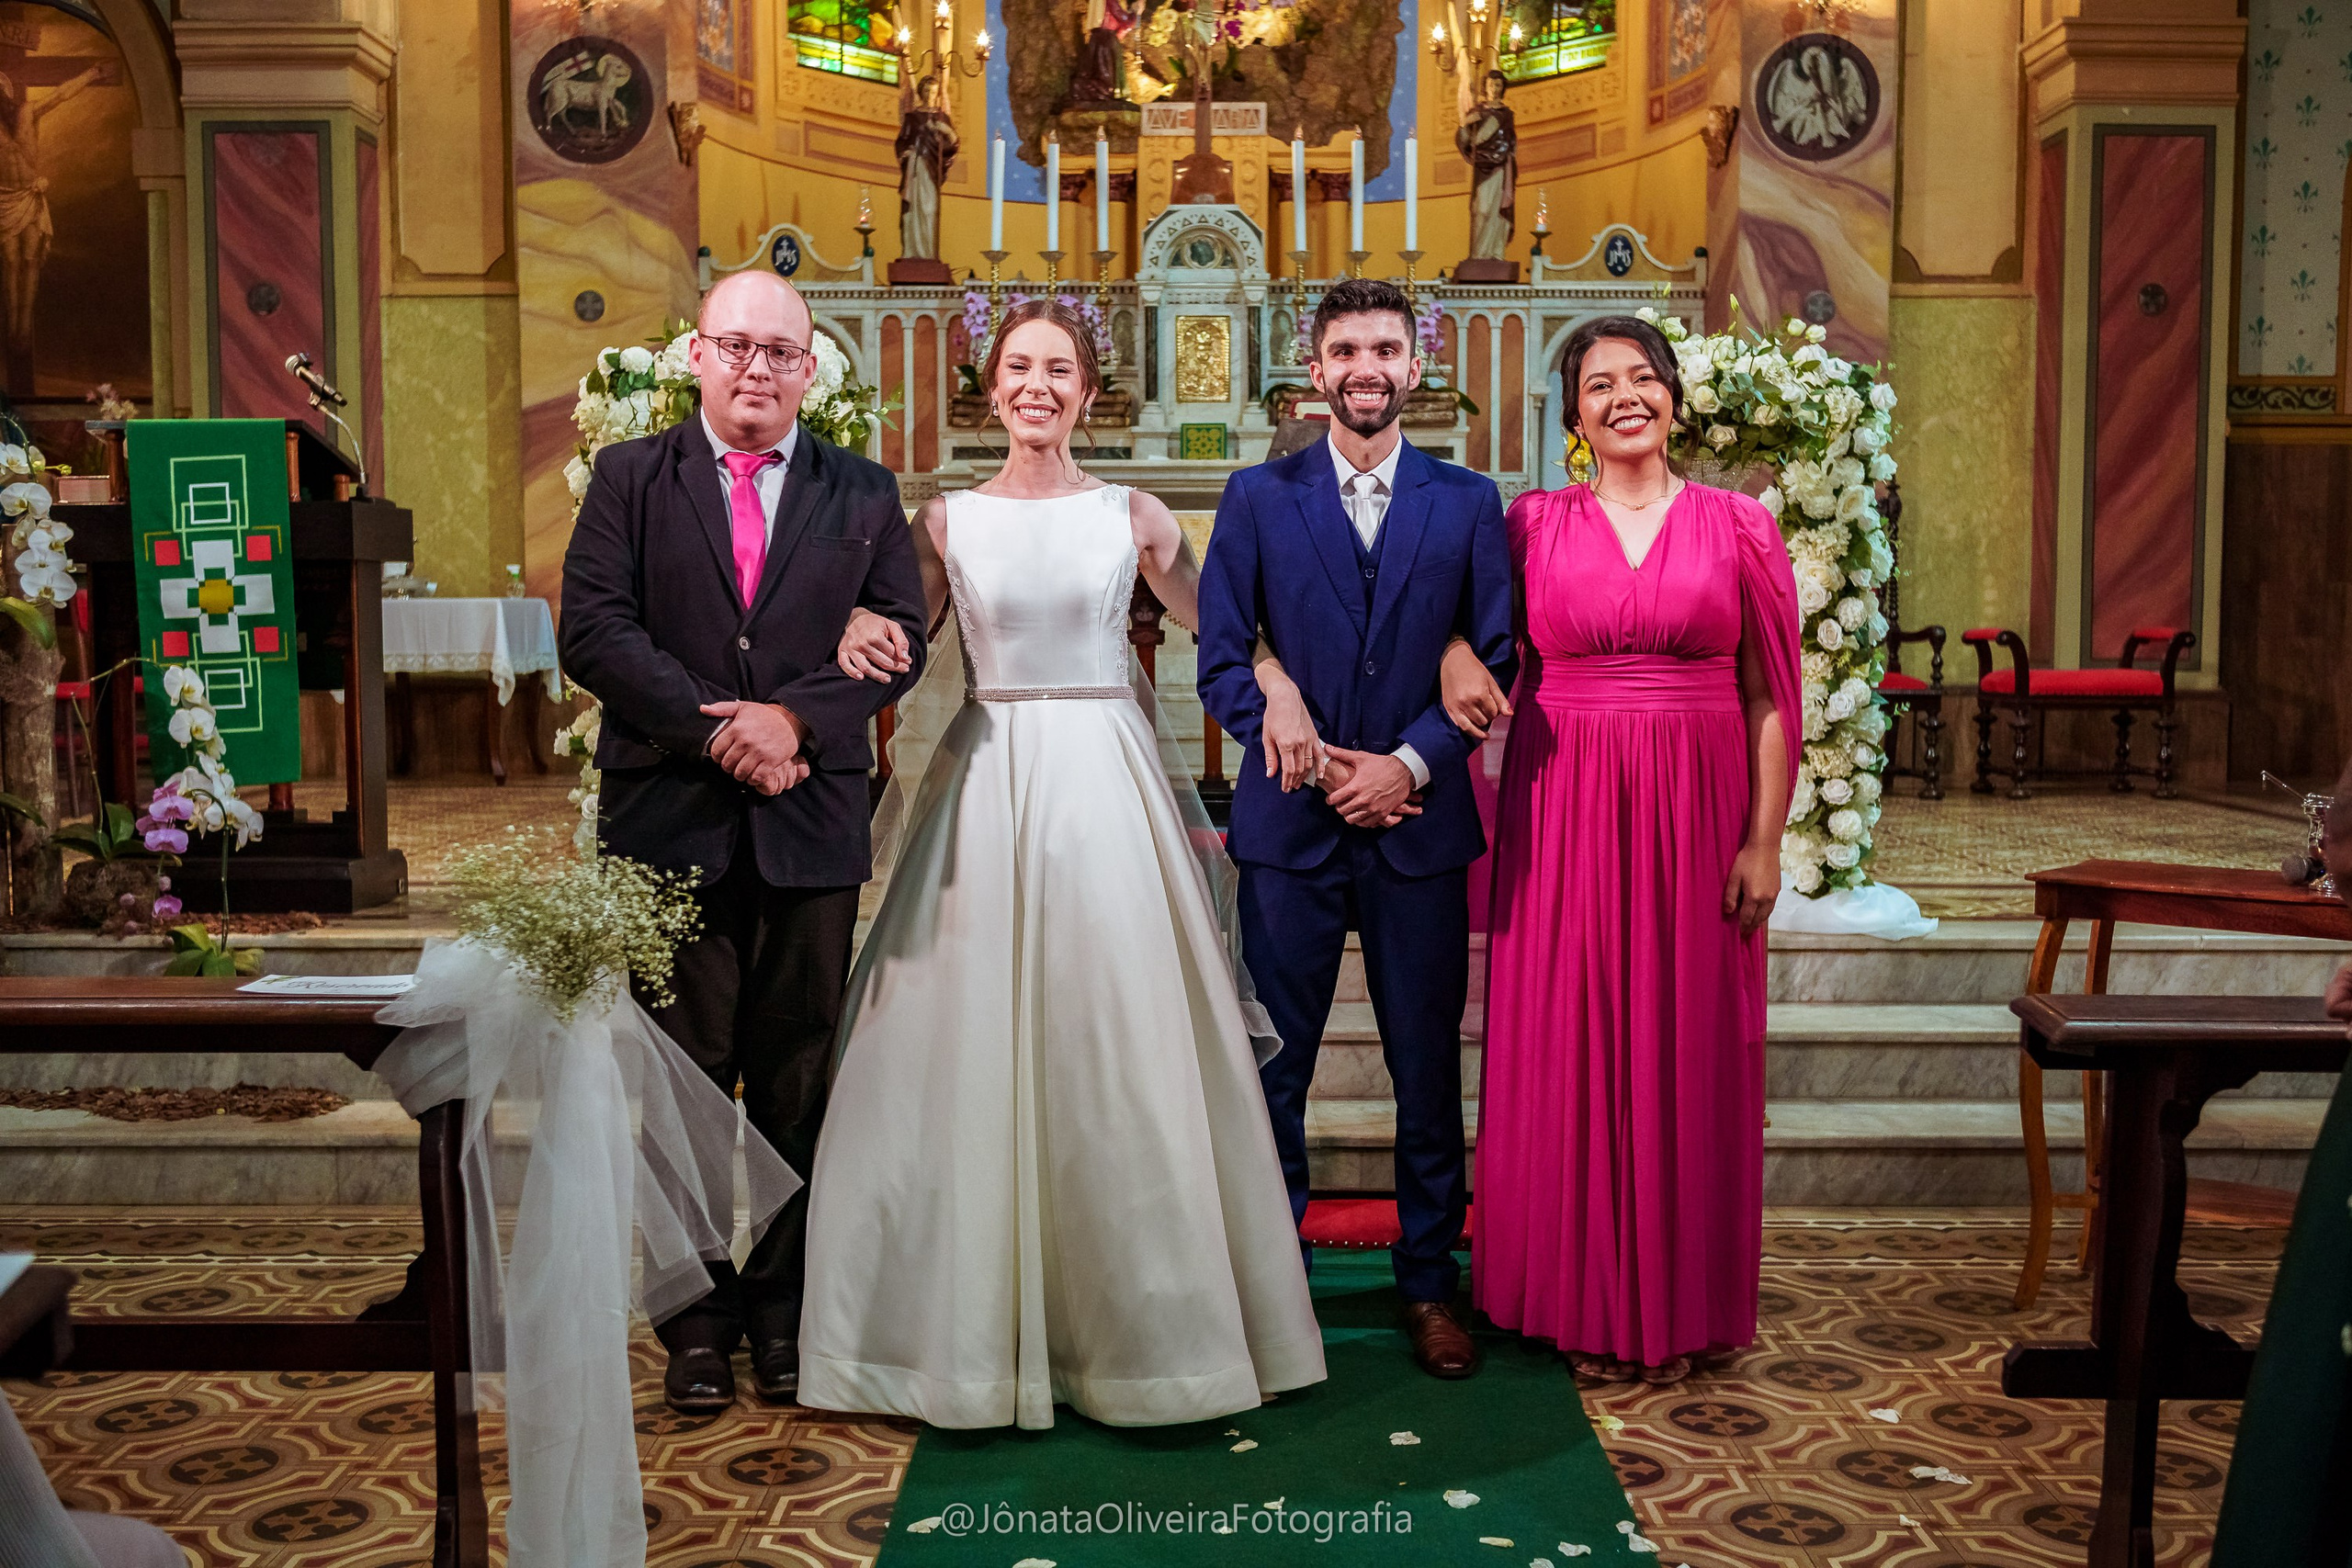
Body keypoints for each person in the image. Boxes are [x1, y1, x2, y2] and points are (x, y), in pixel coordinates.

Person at [799, 299, 1326, 1429]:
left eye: (1058, 371)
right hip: (987, 778)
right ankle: (950, 1329)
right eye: (1018, 368)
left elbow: (1221, 631)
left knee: (1117, 1030)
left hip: (1104, 785)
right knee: (962, 1033)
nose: (1036, 387)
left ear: (1088, 393)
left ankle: (1145, 1332)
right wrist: (849, 633)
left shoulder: (1134, 515)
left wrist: (1278, 683)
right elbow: (897, 643)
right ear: (991, 388)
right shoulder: (945, 523)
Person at [558, 270, 929, 1414]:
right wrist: (724, 732)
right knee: (677, 1084)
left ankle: (781, 1310)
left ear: (809, 371)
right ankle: (694, 1321)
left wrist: (794, 722)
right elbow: (594, 630)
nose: (757, 368)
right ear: (697, 358)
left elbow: (902, 640)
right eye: (737, 346)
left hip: (808, 826)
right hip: (671, 820)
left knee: (797, 1082)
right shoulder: (630, 477)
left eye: (780, 352)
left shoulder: (862, 491)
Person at [1446, 314, 1800, 1385]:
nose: (1624, 398)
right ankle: (1574, 1300)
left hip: (1699, 808)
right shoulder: (1530, 526)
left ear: (1674, 398)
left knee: (1689, 1042)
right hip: (1564, 805)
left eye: (1642, 378)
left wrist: (1763, 841)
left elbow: (1769, 697)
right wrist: (1456, 651)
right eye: (1598, 385)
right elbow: (1461, 627)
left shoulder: (1740, 526)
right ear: (1574, 417)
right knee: (1571, 1036)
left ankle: (1677, 1306)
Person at [1196, 277, 1517, 1381]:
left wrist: (1407, 763)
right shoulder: (1258, 495)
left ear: (1413, 367)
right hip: (1290, 826)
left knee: (1423, 1068)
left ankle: (1428, 1281)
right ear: (1315, 369)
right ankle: (1272, 1282)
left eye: (1384, 349)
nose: (1365, 369)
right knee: (1273, 1068)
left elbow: (1494, 651)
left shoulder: (1467, 501)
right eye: (1345, 350)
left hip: (1417, 826)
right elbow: (1220, 657)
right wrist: (1286, 716)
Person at [895, 74, 957, 263]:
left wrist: (945, 130)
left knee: (929, 210)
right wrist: (906, 153)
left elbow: (952, 146)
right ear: (921, 93)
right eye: (927, 91)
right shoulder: (912, 118)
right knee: (911, 209)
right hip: (914, 168)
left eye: (934, 92)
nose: (930, 95)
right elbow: (901, 141)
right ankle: (910, 250)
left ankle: (929, 253)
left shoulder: (942, 118)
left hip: (931, 169)